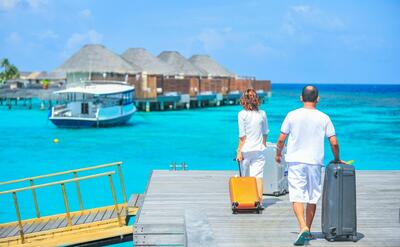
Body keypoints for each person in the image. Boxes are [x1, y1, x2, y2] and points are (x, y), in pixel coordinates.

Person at [275, 85, 343, 246]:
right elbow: (333, 142)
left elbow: (280, 139)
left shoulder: (291, 115)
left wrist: (278, 154)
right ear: (317, 99)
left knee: (297, 195)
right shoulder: (324, 117)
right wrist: (337, 158)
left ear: (301, 98)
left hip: (296, 161)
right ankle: (308, 229)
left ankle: (303, 227)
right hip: (314, 162)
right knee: (312, 196)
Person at [236, 88, 269, 201]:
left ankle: (245, 199)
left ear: (243, 100)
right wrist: (263, 145)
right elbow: (265, 132)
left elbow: (242, 136)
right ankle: (259, 202)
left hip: (246, 151)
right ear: (256, 100)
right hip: (259, 150)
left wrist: (238, 151)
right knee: (258, 177)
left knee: (245, 177)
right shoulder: (262, 114)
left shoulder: (241, 114)